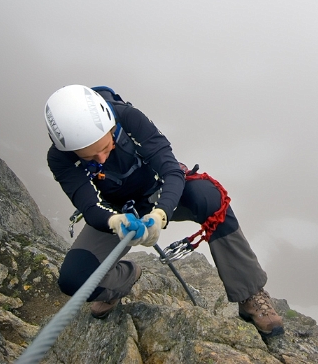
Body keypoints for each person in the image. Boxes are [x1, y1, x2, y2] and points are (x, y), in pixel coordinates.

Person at [44, 84, 284, 336]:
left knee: (210, 198)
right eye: (91, 158)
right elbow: (89, 205)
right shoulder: (60, 159)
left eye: (106, 147)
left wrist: (160, 214)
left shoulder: (127, 118)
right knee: (73, 278)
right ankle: (124, 279)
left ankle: (250, 294)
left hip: (159, 190)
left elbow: (170, 171)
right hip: (115, 211)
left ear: (111, 127)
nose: (102, 159)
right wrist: (114, 221)